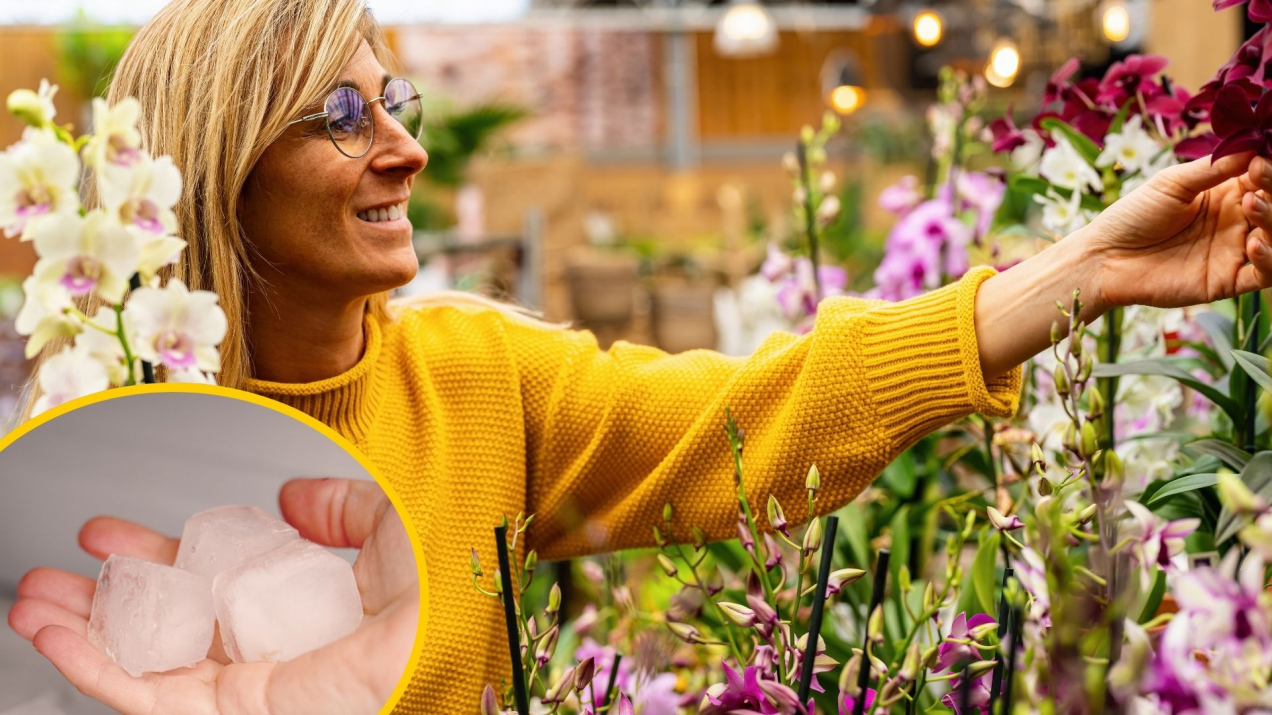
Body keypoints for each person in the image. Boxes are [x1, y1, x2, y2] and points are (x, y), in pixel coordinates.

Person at [10, 0, 1272, 711]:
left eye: (399, 101)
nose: (405, 148)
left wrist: (1087, 272)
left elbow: (747, 415)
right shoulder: (97, 413)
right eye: (345, 116)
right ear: (221, 157)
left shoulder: (477, 377)